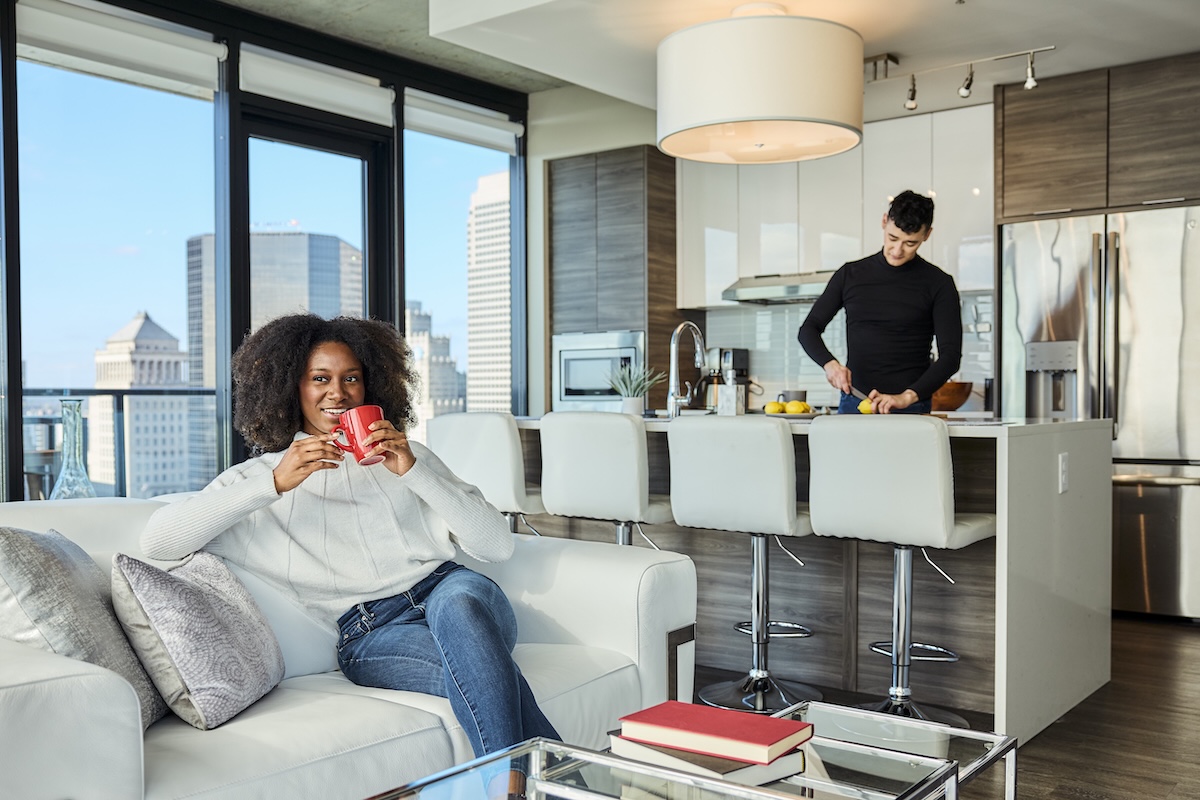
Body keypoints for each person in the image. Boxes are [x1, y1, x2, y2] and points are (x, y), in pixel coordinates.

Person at [140, 313, 561, 764]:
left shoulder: (407, 455)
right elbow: (157, 544)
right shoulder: (260, 478)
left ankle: (508, 792)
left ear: (371, 386)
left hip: (453, 593)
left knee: (461, 608)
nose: (337, 393)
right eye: (319, 378)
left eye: (351, 379)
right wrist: (275, 484)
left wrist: (414, 472)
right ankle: (563, 786)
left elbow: (497, 546)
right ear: (290, 388)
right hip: (370, 633)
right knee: (488, 676)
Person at [798, 190, 962, 414]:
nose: (897, 250)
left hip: (911, 406)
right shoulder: (850, 275)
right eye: (893, 238)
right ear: (884, 221)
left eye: (910, 243)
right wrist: (830, 365)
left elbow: (950, 357)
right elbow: (808, 329)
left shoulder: (939, 284)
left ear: (927, 235)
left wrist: (907, 397)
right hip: (856, 402)